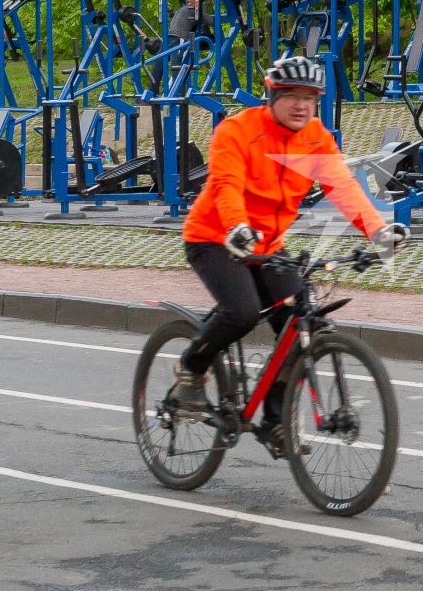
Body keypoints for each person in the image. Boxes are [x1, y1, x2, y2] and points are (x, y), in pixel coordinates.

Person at [173, 55, 407, 426]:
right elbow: (225, 184)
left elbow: (342, 187)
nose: (301, 105)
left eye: (310, 97)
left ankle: (275, 417)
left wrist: (377, 231)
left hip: (267, 246)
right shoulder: (237, 130)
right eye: (291, 95)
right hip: (216, 237)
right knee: (243, 312)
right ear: (271, 96)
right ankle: (191, 368)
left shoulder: (317, 139)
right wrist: (236, 225)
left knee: (301, 321)